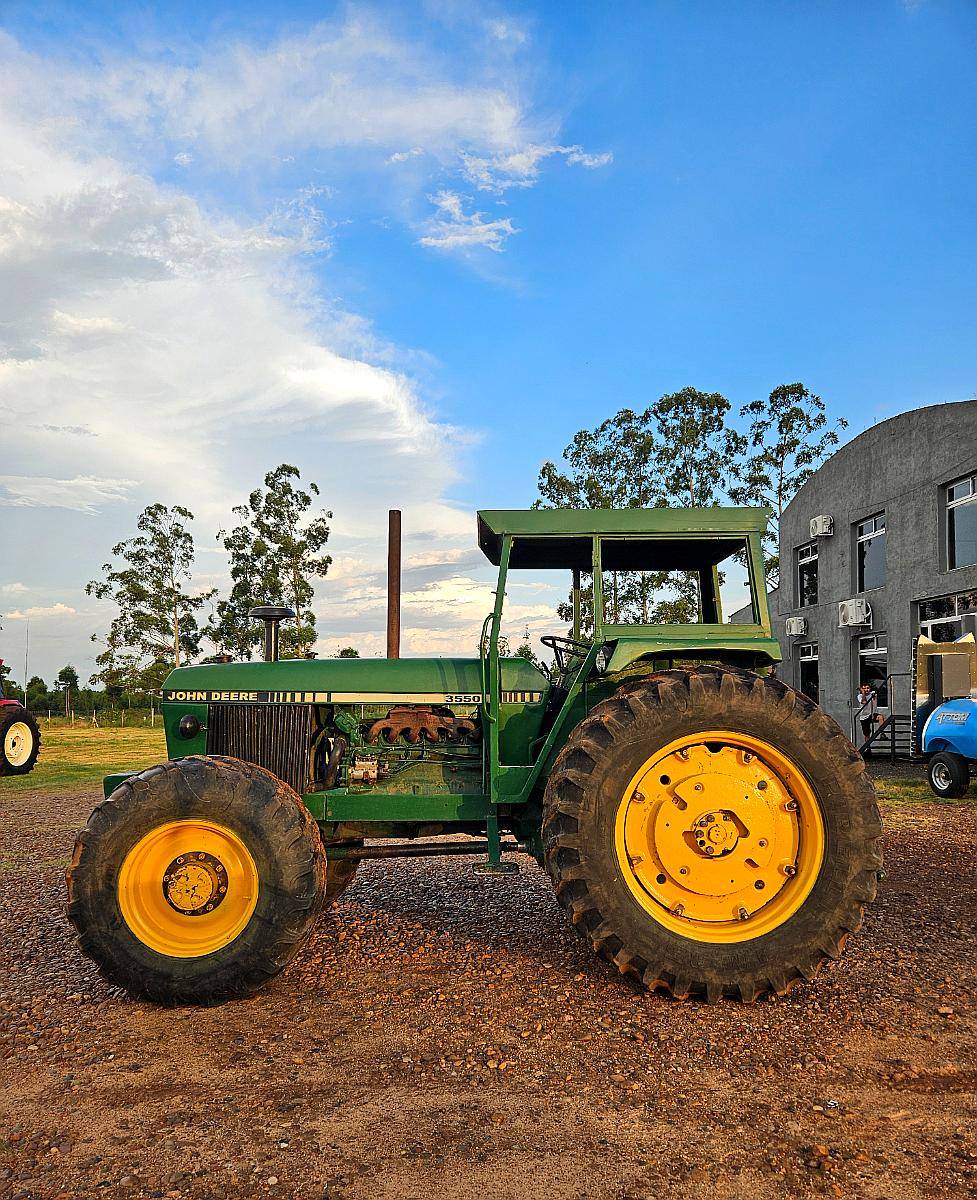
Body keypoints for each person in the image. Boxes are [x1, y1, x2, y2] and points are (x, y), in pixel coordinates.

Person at [857, 683, 879, 753]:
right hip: (864, 716)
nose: (866, 690)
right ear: (861, 690)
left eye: (867, 688)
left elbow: (875, 695)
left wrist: (873, 694)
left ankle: (882, 733)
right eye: (864, 688)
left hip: (871, 714)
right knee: (867, 734)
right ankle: (868, 748)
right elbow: (864, 702)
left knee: (881, 717)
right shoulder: (860, 696)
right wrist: (863, 693)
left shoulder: (872, 694)